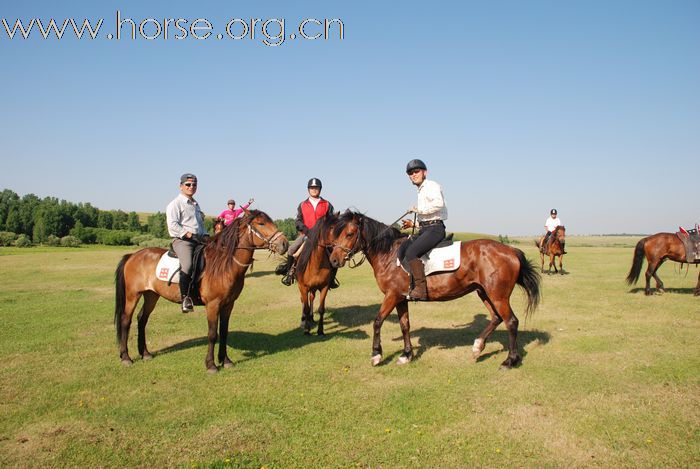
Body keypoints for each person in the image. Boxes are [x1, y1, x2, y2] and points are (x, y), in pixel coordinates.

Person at [400, 159, 448, 301]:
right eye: (410, 173)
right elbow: (426, 218)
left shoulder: (431, 185)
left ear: (424, 172)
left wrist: (417, 209)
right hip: (426, 229)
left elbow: (439, 204)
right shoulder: (420, 190)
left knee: (411, 252)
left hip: (435, 229)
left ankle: (420, 290)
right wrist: (413, 223)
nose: (413, 175)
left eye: (416, 171)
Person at [276, 178, 337, 287]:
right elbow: (298, 221)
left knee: (335, 254)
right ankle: (289, 274)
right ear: (308, 190)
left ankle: (331, 279)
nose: (314, 190)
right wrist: (306, 230)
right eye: (312, 188)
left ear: (320, 189)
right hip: (306, 235)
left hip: (323, 237)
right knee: (291, 250)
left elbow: (332, 221)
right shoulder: (303, 204)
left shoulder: (327, 204)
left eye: (316, 188)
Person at [166, 173, 208, 313]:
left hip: (198, 240)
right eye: (188, 184)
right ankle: (185, 299)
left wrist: (206, 236)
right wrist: (189, 235)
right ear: (181, 186)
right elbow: (173, 225)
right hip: (183, 241)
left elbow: (200, 224)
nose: (191, 187)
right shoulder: (175, 204)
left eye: (194, 184)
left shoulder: (196, 204)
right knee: (188, 265)